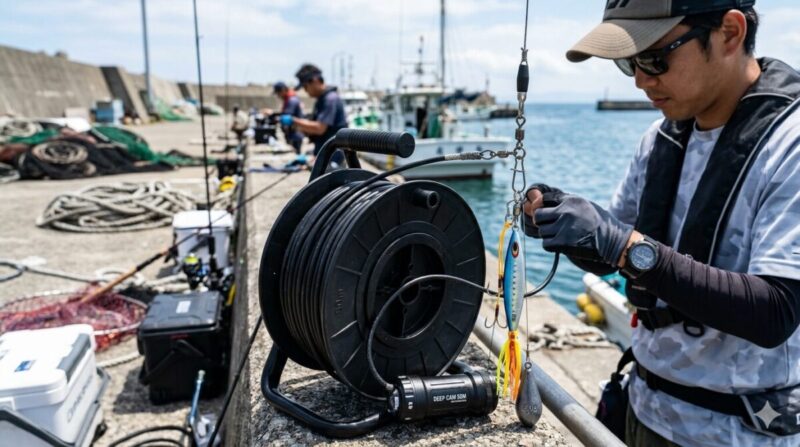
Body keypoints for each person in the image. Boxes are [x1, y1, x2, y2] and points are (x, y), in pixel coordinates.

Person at [522, 1, 800, 446]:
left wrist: (622, 245)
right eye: (628, 62)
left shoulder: (791, 144)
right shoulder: (660, 136)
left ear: (730, 33)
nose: (639, 79)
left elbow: (775, 312)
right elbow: (612, 254)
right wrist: (566, 224)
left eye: (654, 58)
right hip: (643, 406)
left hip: (737, 433)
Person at [280, 64, 348, 167]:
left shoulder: (330, 99)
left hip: (333, 159)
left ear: (315, 80)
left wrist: (293, 121)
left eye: (305, 86)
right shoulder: (321, 100)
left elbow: (319, 128)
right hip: (325, 155)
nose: (305, 90)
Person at [273, 81, 305, 154]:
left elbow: (287, 116)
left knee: (297, 152)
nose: (278, 96)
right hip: (294, 132)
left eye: (278, 93)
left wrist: (277, 118)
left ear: (283, 90)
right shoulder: (289, 99)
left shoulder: (291, 100)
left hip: (296, 133)